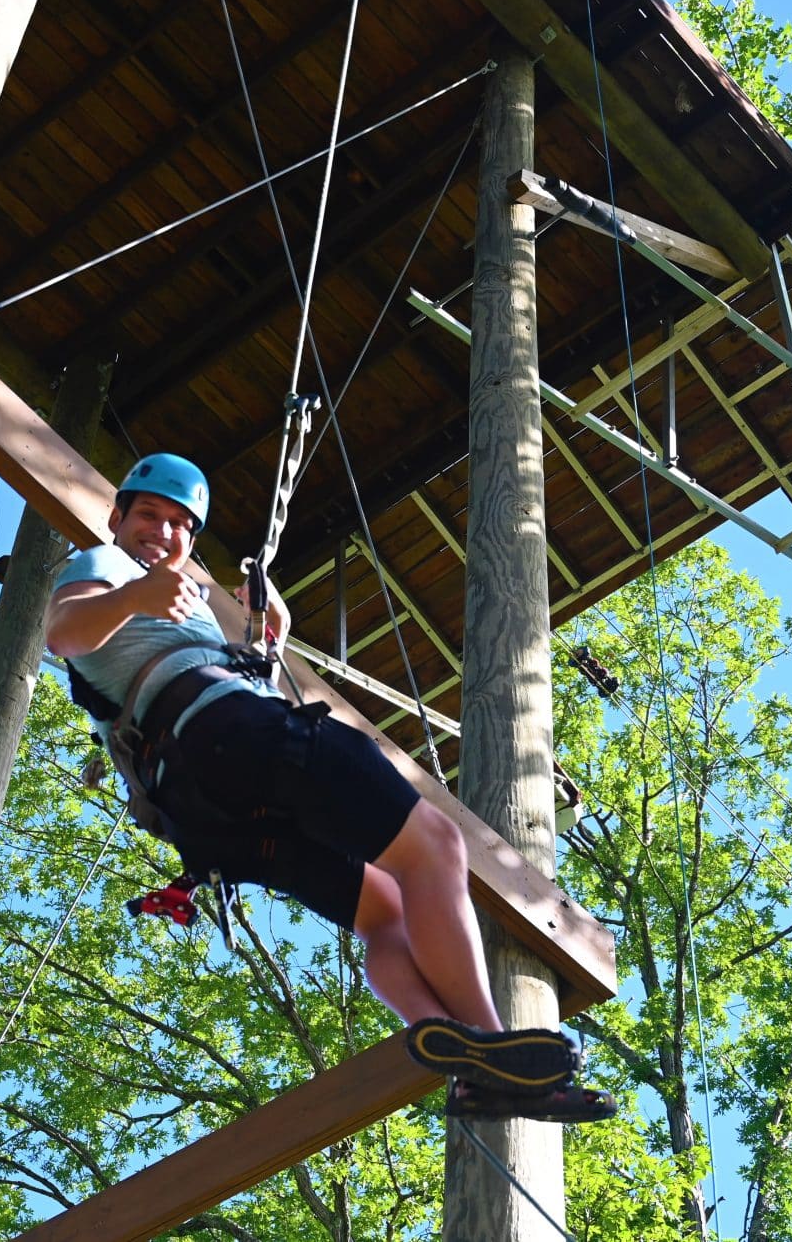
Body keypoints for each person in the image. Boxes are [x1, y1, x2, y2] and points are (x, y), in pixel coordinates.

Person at [44, 453, 613, 1123]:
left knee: (386, 911)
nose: (163, 533)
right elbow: (63, 632)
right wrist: (137, 595)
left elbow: (174, 659)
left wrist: (260, 635)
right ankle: (493, 1045)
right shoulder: (105, 566)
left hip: (209, 809)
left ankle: (464, 1057)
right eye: (148, 515)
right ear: (117, 517)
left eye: (179, 524)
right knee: (432, 844)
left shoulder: (177, 600)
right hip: (227, 737)